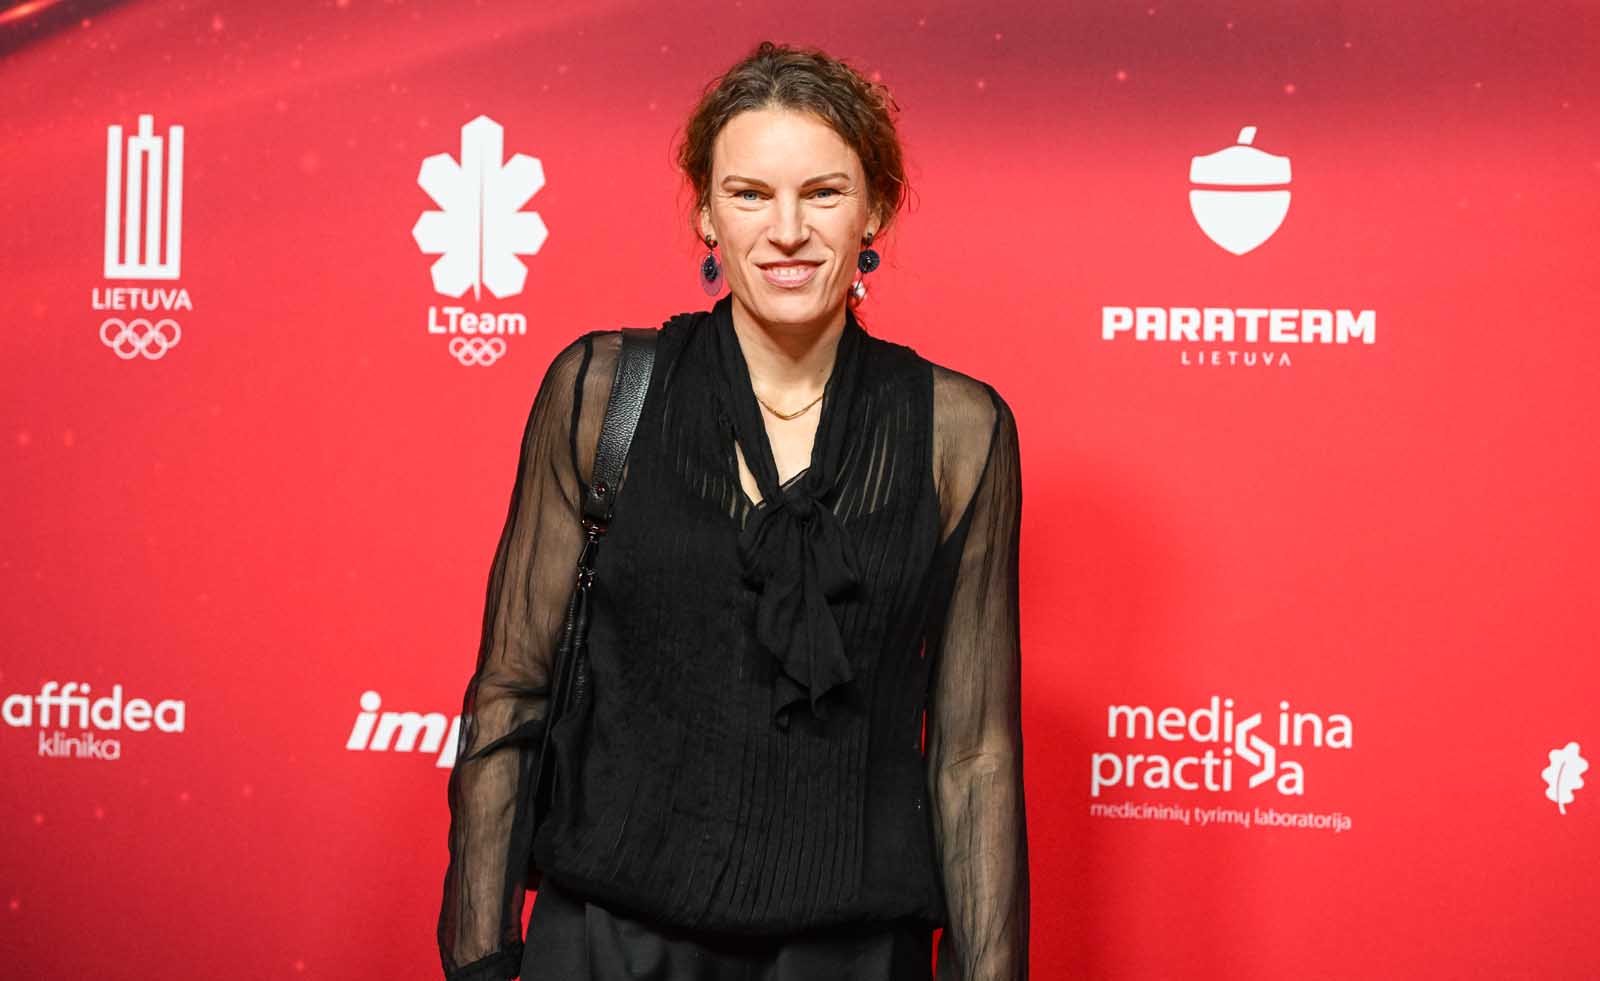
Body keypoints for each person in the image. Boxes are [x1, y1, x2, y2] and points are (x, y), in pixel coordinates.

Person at [437, 40, 1029, 981]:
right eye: (750, 194)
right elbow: (511, 691)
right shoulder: (603, 393)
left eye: (823, 193)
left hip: (849, 955)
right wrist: (481, 953)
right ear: (707, 214)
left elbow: (974, 754)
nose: (786, 230)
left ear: (875, 208)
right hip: (610, 944)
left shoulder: (958, 432)